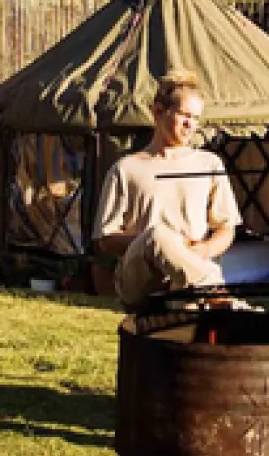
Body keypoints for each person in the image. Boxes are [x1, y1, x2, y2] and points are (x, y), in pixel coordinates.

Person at [97, 69, 247, 312]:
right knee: (158, 235)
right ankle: (221, 299)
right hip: (140, 281)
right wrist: (164, 245)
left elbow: (225, 228)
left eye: (196, 118)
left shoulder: (209, 164)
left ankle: (212, 299)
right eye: (185, 116)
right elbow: (106, 240)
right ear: (158, 112)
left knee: (187, 320)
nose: (191, 125)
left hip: (190, 272)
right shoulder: (126, 168)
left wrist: (201, 250)